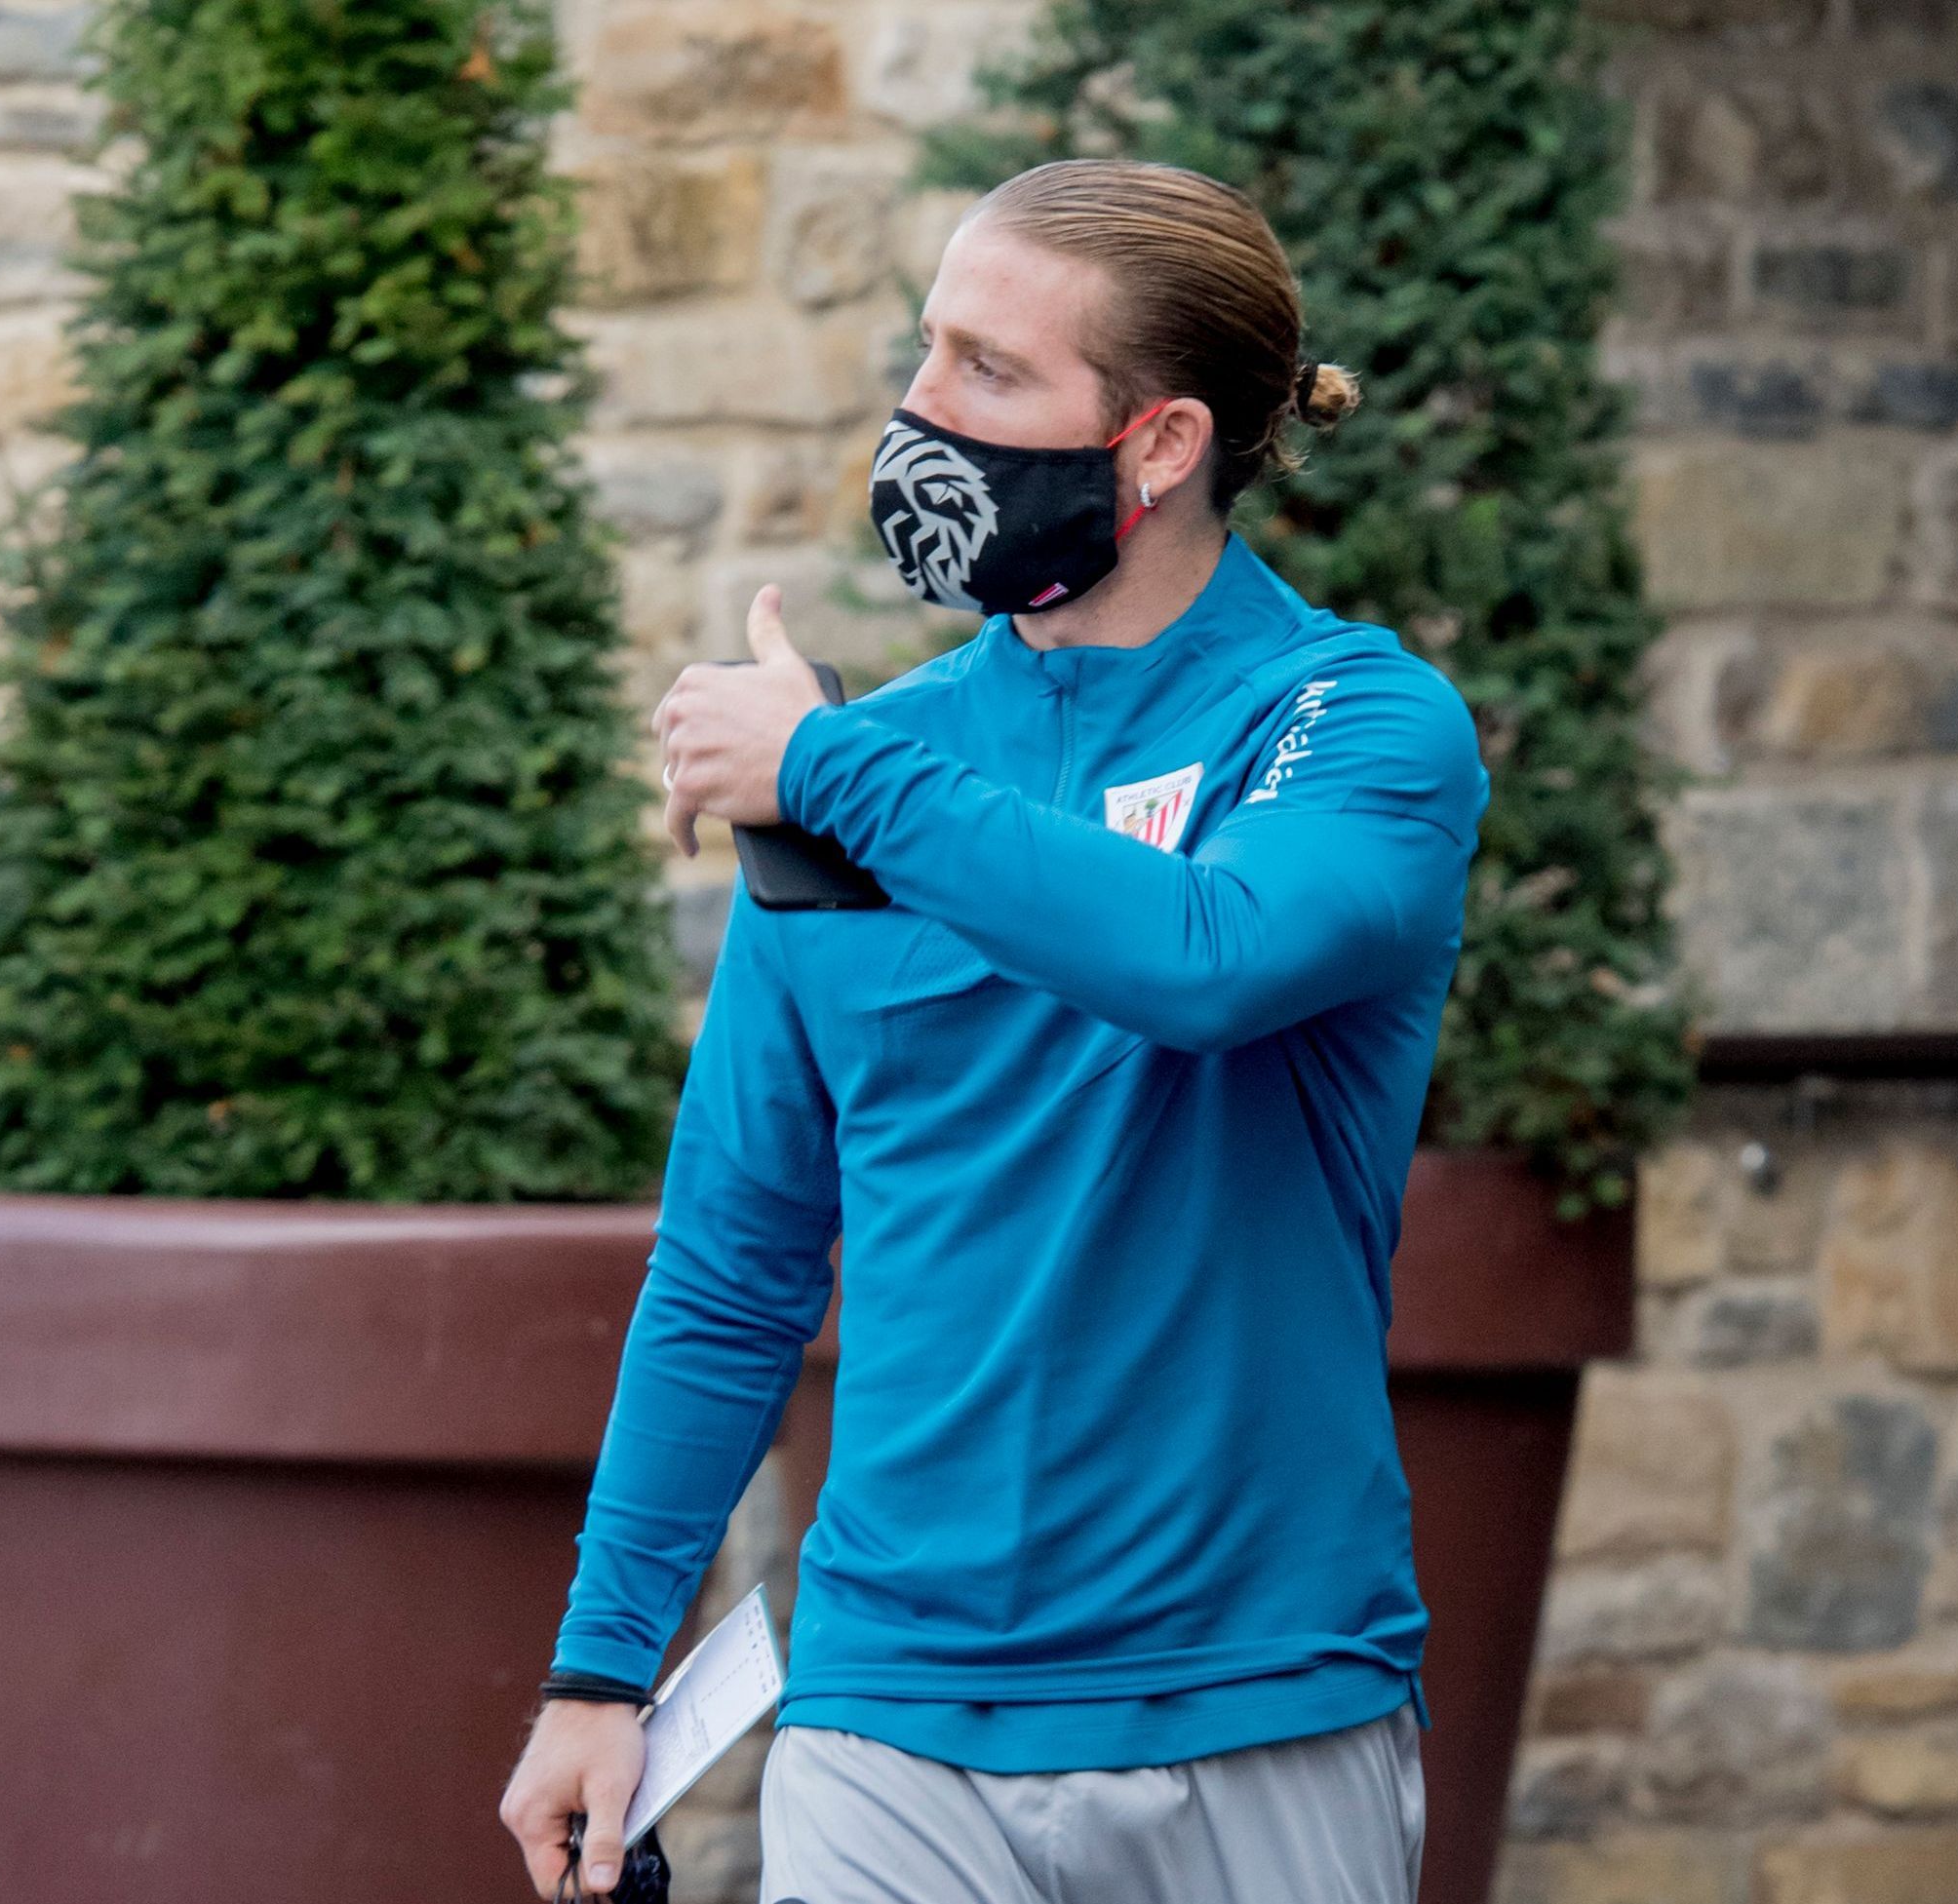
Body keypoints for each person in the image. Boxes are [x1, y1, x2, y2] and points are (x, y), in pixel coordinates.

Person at [500, 157, 1487, 1904]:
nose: (920, 410)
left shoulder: (1356, 724)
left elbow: (1212, 952)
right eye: (925, 350)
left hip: (1256, 1706)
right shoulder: (869, 782)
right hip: (889, 1726)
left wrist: (822, 761)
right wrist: (599, 1669)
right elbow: (734, 1266)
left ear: (1162, 443)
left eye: (988, 371)